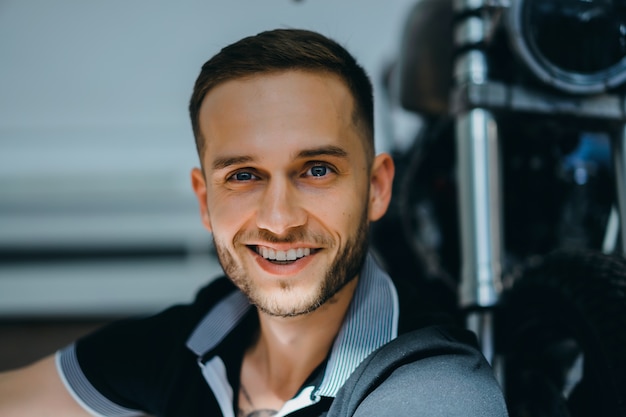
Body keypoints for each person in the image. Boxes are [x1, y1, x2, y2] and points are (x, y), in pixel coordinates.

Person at [0, 28, 508, 416]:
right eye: (244, 175)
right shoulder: (195, 335)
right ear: (204, 200)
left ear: (376, 187)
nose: (279, 220)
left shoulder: (437, 391)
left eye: (316, 170)